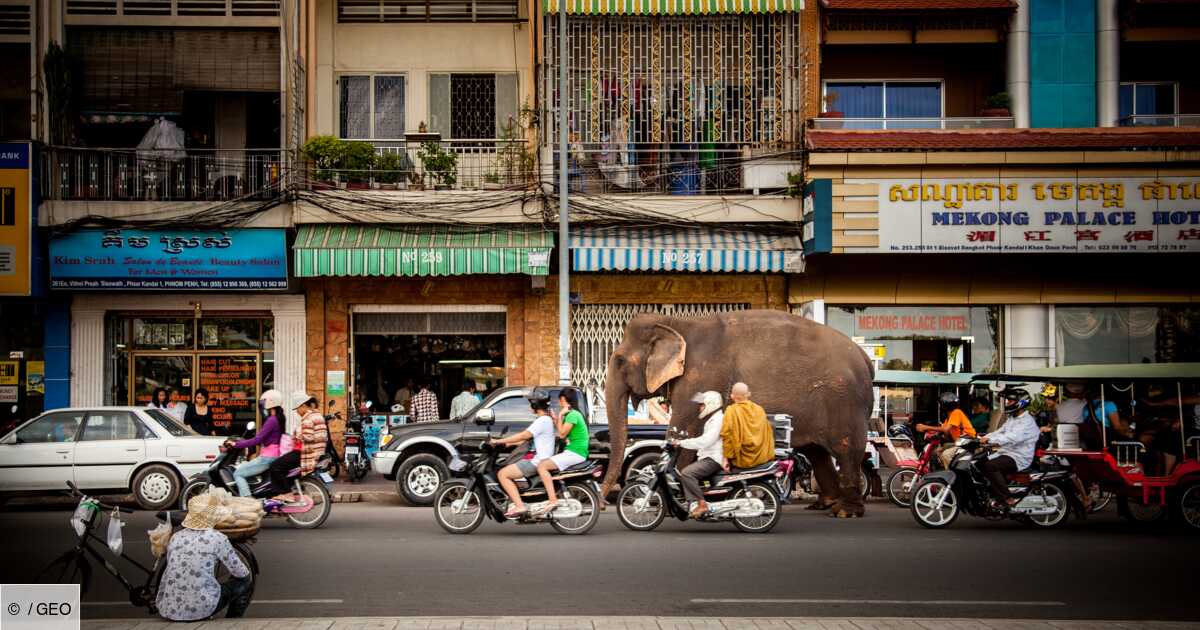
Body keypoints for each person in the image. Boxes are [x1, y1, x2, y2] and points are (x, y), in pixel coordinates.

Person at [156, 493, 251, 621]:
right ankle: (233, 620)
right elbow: (241, 572)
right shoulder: (218, 539)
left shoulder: (175, 537)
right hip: (201, 609)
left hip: (170, 609)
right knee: (245, 580)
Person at [488, 390, 557, 519]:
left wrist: (499, 441)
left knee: (503, 474)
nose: (528, 406)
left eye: (530, 403)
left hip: (536, 461)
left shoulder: (542, 420)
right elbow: (527, 440)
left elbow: (524, 435)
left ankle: (520, 505)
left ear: (535, 405)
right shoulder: (544, 420)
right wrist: (507, 444)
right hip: (536, 458)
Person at [979, 388, 1040, 508]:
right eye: (1008, 401)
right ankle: (991, 494)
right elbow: (1000, 432)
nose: (1007, 403)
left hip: (1018, 457)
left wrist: (990, 440)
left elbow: (1012, 437)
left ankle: (1007, 498)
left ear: (1020, 402)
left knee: (991, 466)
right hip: (1006, 453)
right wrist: (980, 438)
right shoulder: (1012, 418)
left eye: (1010, 401)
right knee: (978, 463)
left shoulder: (1027, 421)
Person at [534, 390, 590, 514]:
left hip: (575, 453)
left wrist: (559, 416)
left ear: (568, 402)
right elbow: (562, 430)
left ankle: (552, 499)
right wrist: (555, 419)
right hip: (574, 452)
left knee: (542, 466)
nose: (560, 403)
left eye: (562, 400)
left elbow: (562, 434)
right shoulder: (572, 414)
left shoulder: (572, 415)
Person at [269, 391, 329, 500]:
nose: (297, 412)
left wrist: (297, 435)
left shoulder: (308, 419)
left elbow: (308, 437)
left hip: (304, 453)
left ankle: (286, 493)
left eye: (297, 409)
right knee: (286, 469)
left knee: (275, 466)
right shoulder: (318, 415)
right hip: (315, 452)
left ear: (303, 405)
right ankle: (292, 492)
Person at [675, 391, 725, 519]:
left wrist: (682, 443)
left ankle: (702, 504)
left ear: (711, 404)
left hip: (713, 459)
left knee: (687, 473)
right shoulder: (713, 419)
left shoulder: (717, 420)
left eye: (702, 405)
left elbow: (705, 441)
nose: (700, 408)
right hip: (708, 456)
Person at [226, 389, 285, 497]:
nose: (262, 408)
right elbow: (265, 439)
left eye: (263, 404)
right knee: (245, 467)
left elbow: (257, 439)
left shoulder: (271, 420)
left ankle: (248, 502)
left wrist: (237, 444)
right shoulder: (279, 418)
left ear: (269, 404)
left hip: (267, 457)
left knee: (238, 473)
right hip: (273, 455)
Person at [720, 382, 775, 470]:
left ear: (732, 396)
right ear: (749, 394)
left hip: (742, 461)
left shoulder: (731, 411)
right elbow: (768, 433)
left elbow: (727, 435)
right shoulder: (759, 409)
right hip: (762, 457)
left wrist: (725, 458)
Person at [914, 391, 976, 468]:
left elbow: (945, 429)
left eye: (941, 404)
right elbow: (945, 433)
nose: (940, 406)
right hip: (959, 442)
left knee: (945, 455)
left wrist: (925, 427)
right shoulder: (949, 418)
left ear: (945, 404)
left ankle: (950, 475)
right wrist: (934, 434)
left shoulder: (956, 412)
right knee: (937, 451)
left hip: (968, 442)